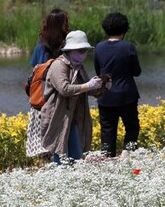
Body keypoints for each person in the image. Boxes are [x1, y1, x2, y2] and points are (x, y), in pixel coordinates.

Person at [40, 30, 106, 163]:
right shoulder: (58, 65)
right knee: (60, 154)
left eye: (85, 50)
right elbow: (64, 89)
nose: (84, 54)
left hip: (74, 118)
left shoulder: (78, 67)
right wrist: (88, 85)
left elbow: (87, 89)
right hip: (58, 116)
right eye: (80, 50)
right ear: (70, 51)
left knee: (76, 156)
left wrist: (102, 86)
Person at [94, 12, 141, 157]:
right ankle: (126, 156)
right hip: (126, 95)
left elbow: (98, 71)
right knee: (132, 128)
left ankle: (107, 160)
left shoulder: (99, 47)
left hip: (105, 96)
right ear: (124, 29)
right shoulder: (128, 47)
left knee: (107, 131)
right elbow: (136, 71)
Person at [26, 9, 70, 158]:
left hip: (43, 98)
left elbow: (34, 72)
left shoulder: (40, 47)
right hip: (63, 97)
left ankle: (51, 160)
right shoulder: (68, 47)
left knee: (47, 137)